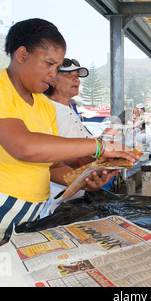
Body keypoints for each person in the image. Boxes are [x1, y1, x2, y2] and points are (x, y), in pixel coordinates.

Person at [0, 18, 138, 270]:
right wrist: (99, 147)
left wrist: (84, 179)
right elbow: (25, 147)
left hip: (24, 219)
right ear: (21, 54)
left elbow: (50, 167)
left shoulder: (43, 106)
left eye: (57, 66)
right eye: (48, 64)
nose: (53, 75)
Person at [40, 58, 116, 217]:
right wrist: (97, 154)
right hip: (55, 201)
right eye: (69, 75)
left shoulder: (70, 108)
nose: (76, 80)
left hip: (76, 196)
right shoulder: (45, 109)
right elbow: (46, 158)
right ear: (52, 77)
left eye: (77, 76)